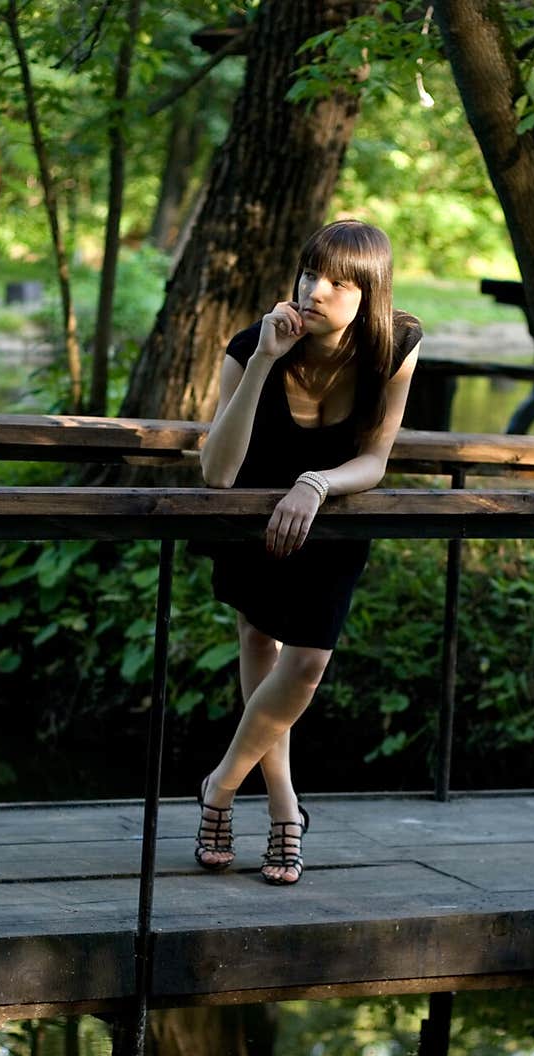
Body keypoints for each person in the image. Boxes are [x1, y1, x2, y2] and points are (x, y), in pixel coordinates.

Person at [194, 218, 421, 885]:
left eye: (339, 283)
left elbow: (375, 458)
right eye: (310, 274)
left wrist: (316, 483)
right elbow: (217, 472)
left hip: (330, 522)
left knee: (307, 664)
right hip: (252, 523)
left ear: (369, 294)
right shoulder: (250, 345)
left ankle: (221, 789)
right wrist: (263, 360)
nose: (317, 290)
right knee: (261, 650)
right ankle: (286, 812)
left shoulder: (395, 347)